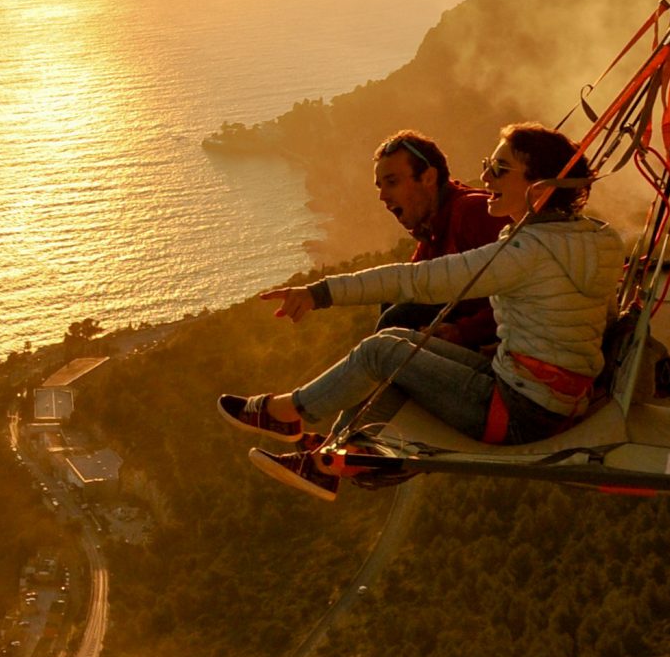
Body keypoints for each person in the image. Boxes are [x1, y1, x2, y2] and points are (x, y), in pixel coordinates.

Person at [221, 122, 622, 503]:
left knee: (384, 351)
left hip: (522, 411)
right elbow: (598, 314)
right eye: (488, 166)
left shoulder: (525, 251)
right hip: (546, 394)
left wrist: (321, 293)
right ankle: (328, 459)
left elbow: (416, 280)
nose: (487, 179)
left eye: (500, 170)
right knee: (396, 341)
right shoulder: (599, 240)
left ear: (540, 187)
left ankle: (287, 413)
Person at [366, 129, 504, 351]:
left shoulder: (473, 212)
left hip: (504, 356)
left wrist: (463, 332)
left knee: (401, 315)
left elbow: (525, 294)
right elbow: (410, 285)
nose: (383, 196)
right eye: (380, 186)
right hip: (480, 342)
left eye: (392, 182)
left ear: (429, 177)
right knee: (396, 299)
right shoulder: (434, 227)